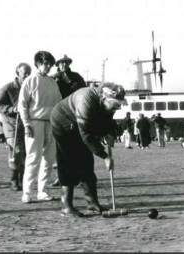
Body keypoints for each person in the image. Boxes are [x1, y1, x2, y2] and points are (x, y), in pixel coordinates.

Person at [50, 82, 125, 217]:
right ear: (104, 98)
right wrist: (105, 156)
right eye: (115, 105)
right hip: (62, 123)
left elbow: (106, 119)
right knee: (68, 161)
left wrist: (107, 133)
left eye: (119, 105)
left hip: (79, 123)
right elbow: (86, 135)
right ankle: (66, 206)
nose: (116, 108)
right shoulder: (86, 101)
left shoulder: (107, 104)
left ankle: (92, 203)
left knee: (86, 160)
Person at [17, 51, 62, 203]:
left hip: (51, 123)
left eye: (50, 64)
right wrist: (27, 124)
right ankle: (27, 193)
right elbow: (22, 105)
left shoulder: (52, 82)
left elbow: (59, 104)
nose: (48, 66)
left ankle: (42, 191)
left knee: (48, 159)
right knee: (33, 159)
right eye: (45, 63)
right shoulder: (29, 80)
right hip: (34, 122)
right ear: (38, 63)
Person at [50, 54, 87, 187]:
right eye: (61, 63)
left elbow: (82, 92)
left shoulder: (76, 77)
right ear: (58, 64)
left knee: (78, 146)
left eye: (66, 62)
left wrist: (69, 82)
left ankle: (82, 177)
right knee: (60, 149)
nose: (64, 65)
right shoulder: (53, 78)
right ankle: (62, 177)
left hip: (74, 114)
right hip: (59, 115)